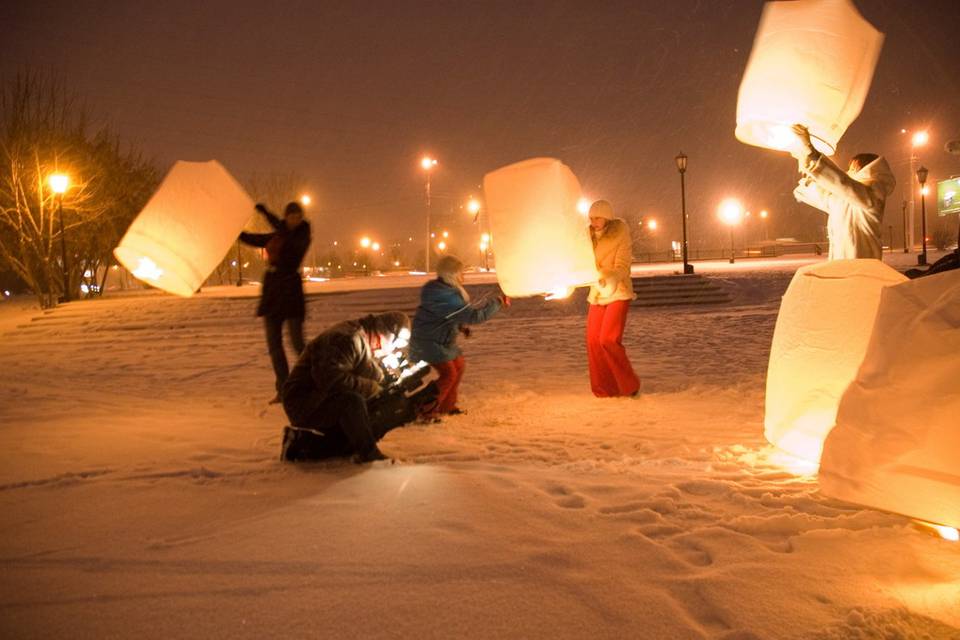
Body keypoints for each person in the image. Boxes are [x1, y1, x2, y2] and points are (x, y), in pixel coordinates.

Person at [280, 311, 435, 463]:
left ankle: (309, 445)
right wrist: (372, 387)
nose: (393, 350)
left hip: (318, 397)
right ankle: (368, 454)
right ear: (384, 334)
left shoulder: (364, 339)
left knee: (375, 406)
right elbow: (330, 379)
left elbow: (366, 368)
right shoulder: (347, 338)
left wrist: (385, 381)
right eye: (394, 344)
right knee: (351, 402)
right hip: (302, 402)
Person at [409, 255, 506, 419]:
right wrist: (498, 302)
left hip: (441, 340)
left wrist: (461, 327)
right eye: (461, 273)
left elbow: (448, 316)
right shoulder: (444, 296)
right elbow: (474, 316)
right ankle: (426, 409)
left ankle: (447, 406)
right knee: (449, 374)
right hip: (428, 342)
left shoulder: (444, 290)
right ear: (451, 274)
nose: (464, 276)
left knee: (459, 366)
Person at [239, 201, 311, 402]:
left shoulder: (302, 235)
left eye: (298, 216)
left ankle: (316, 379)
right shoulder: (278, 234)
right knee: (274, 345)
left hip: (290, 292)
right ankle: (284, 388)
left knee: (297, 343)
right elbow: (256, 239)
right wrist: (237, 233)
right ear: (286, 216)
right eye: (291, 216)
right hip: (272, 294)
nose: (294, 219)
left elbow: (288, 239)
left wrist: (267, 214)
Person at [791, 124, 896, 261]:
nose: (847, 172)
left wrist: (812, 154)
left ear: (859, 166)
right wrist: (807, 167)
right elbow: (825, 194)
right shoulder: (847, 197)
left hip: (862, 267)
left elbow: (843, 184)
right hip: (841, 266)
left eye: (850, 168)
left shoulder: (874, 192)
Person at [586, 200, 640, 398]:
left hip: (617, 290)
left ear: (607, 217)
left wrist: (609, 278)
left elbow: (622, 266)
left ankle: (628, 384)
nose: (594, 221)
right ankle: (604, 389)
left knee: (608, 339)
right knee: (593, 341)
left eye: (598, 217)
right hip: (597, 294)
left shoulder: (620, 234)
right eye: (591, 218)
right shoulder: (587, 238)